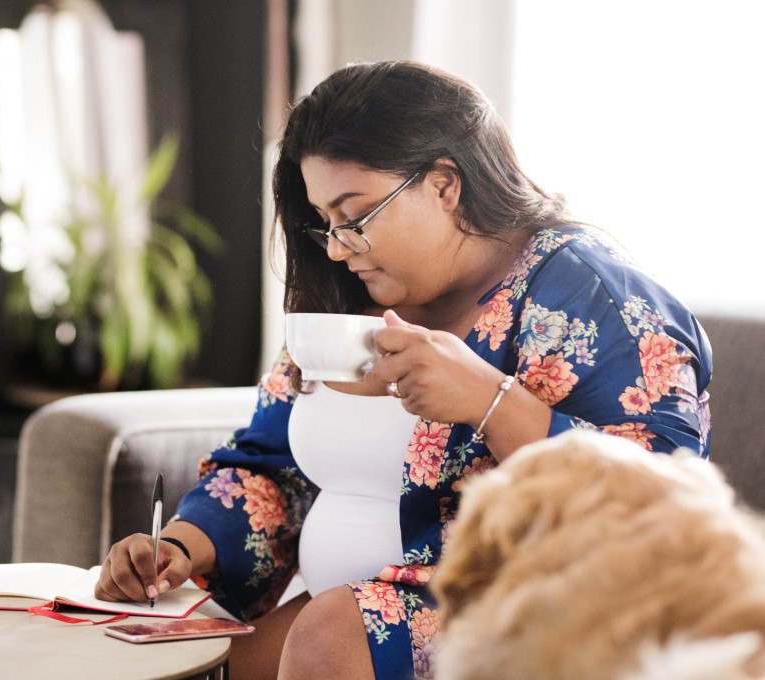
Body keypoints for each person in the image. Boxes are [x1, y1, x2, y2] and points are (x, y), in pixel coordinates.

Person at [94, 60, 712, 680]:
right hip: (353, 607)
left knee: (328, 637)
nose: (336, 248)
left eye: (354, 217)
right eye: (326, 223)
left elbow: (662, 511)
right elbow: (271, 468)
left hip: (528, 611)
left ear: (444, 185)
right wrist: (177, 547)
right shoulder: (345, 303)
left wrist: (490, 400)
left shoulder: (596, 301)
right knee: (193, 656)